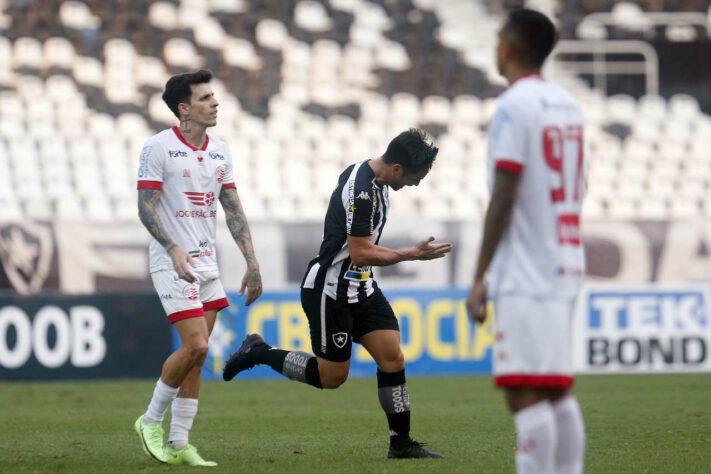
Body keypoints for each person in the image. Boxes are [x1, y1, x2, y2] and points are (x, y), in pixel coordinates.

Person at [223, 129, 452, 459]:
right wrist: (409, 255)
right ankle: (259, 351)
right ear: (397, 168)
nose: (414, 185)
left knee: (392, 356)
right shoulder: (361, 192)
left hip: (362, 287)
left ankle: (400, 443)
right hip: (330, 290)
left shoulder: (374, 179)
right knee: (331, 378)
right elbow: (360, 253)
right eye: (414, 178)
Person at [466, 9, 586, 474]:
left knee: (526, 392)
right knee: (555, 389)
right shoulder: (566, 103)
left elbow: (505, 193)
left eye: (498, 39)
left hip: (528, 270)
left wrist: (480, 274)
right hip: (564, 259)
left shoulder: (515, 106)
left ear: (509, 48)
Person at [134, 69, 263, 466]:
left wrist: (252, 261)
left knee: (197, 358)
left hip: (207, 262)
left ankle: (178, 442)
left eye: (214, 97)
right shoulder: (157, 148)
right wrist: (172, 247)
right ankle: (149, 421)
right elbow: (145, 206)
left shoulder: (221, 150)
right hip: (173, 261)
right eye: (206, 98)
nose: (215, 103)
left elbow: (233, 208)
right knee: (197, 345)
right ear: (184, 109)